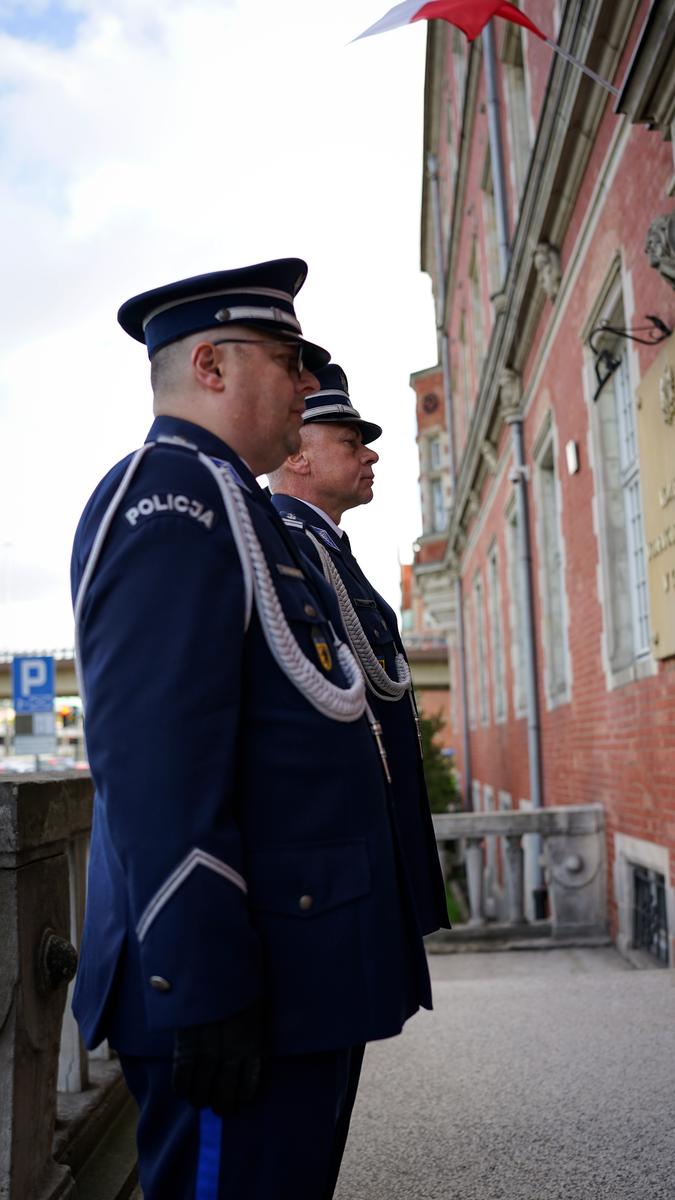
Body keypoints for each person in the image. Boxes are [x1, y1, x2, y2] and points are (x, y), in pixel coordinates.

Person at [71, 261, 433, 1200]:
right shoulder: (169, 500)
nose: (309, 383)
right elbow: (154, 764)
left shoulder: (239, 506)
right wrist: (203, 984)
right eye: (286, 358)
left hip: (293, 972)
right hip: (237, 985)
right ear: (211, 366)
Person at [268, 364, 449, 936]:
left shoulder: (323, 548)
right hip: (342, 852)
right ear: (297, 456)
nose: (371, 455)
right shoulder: (289, 551)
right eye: (350, 442)